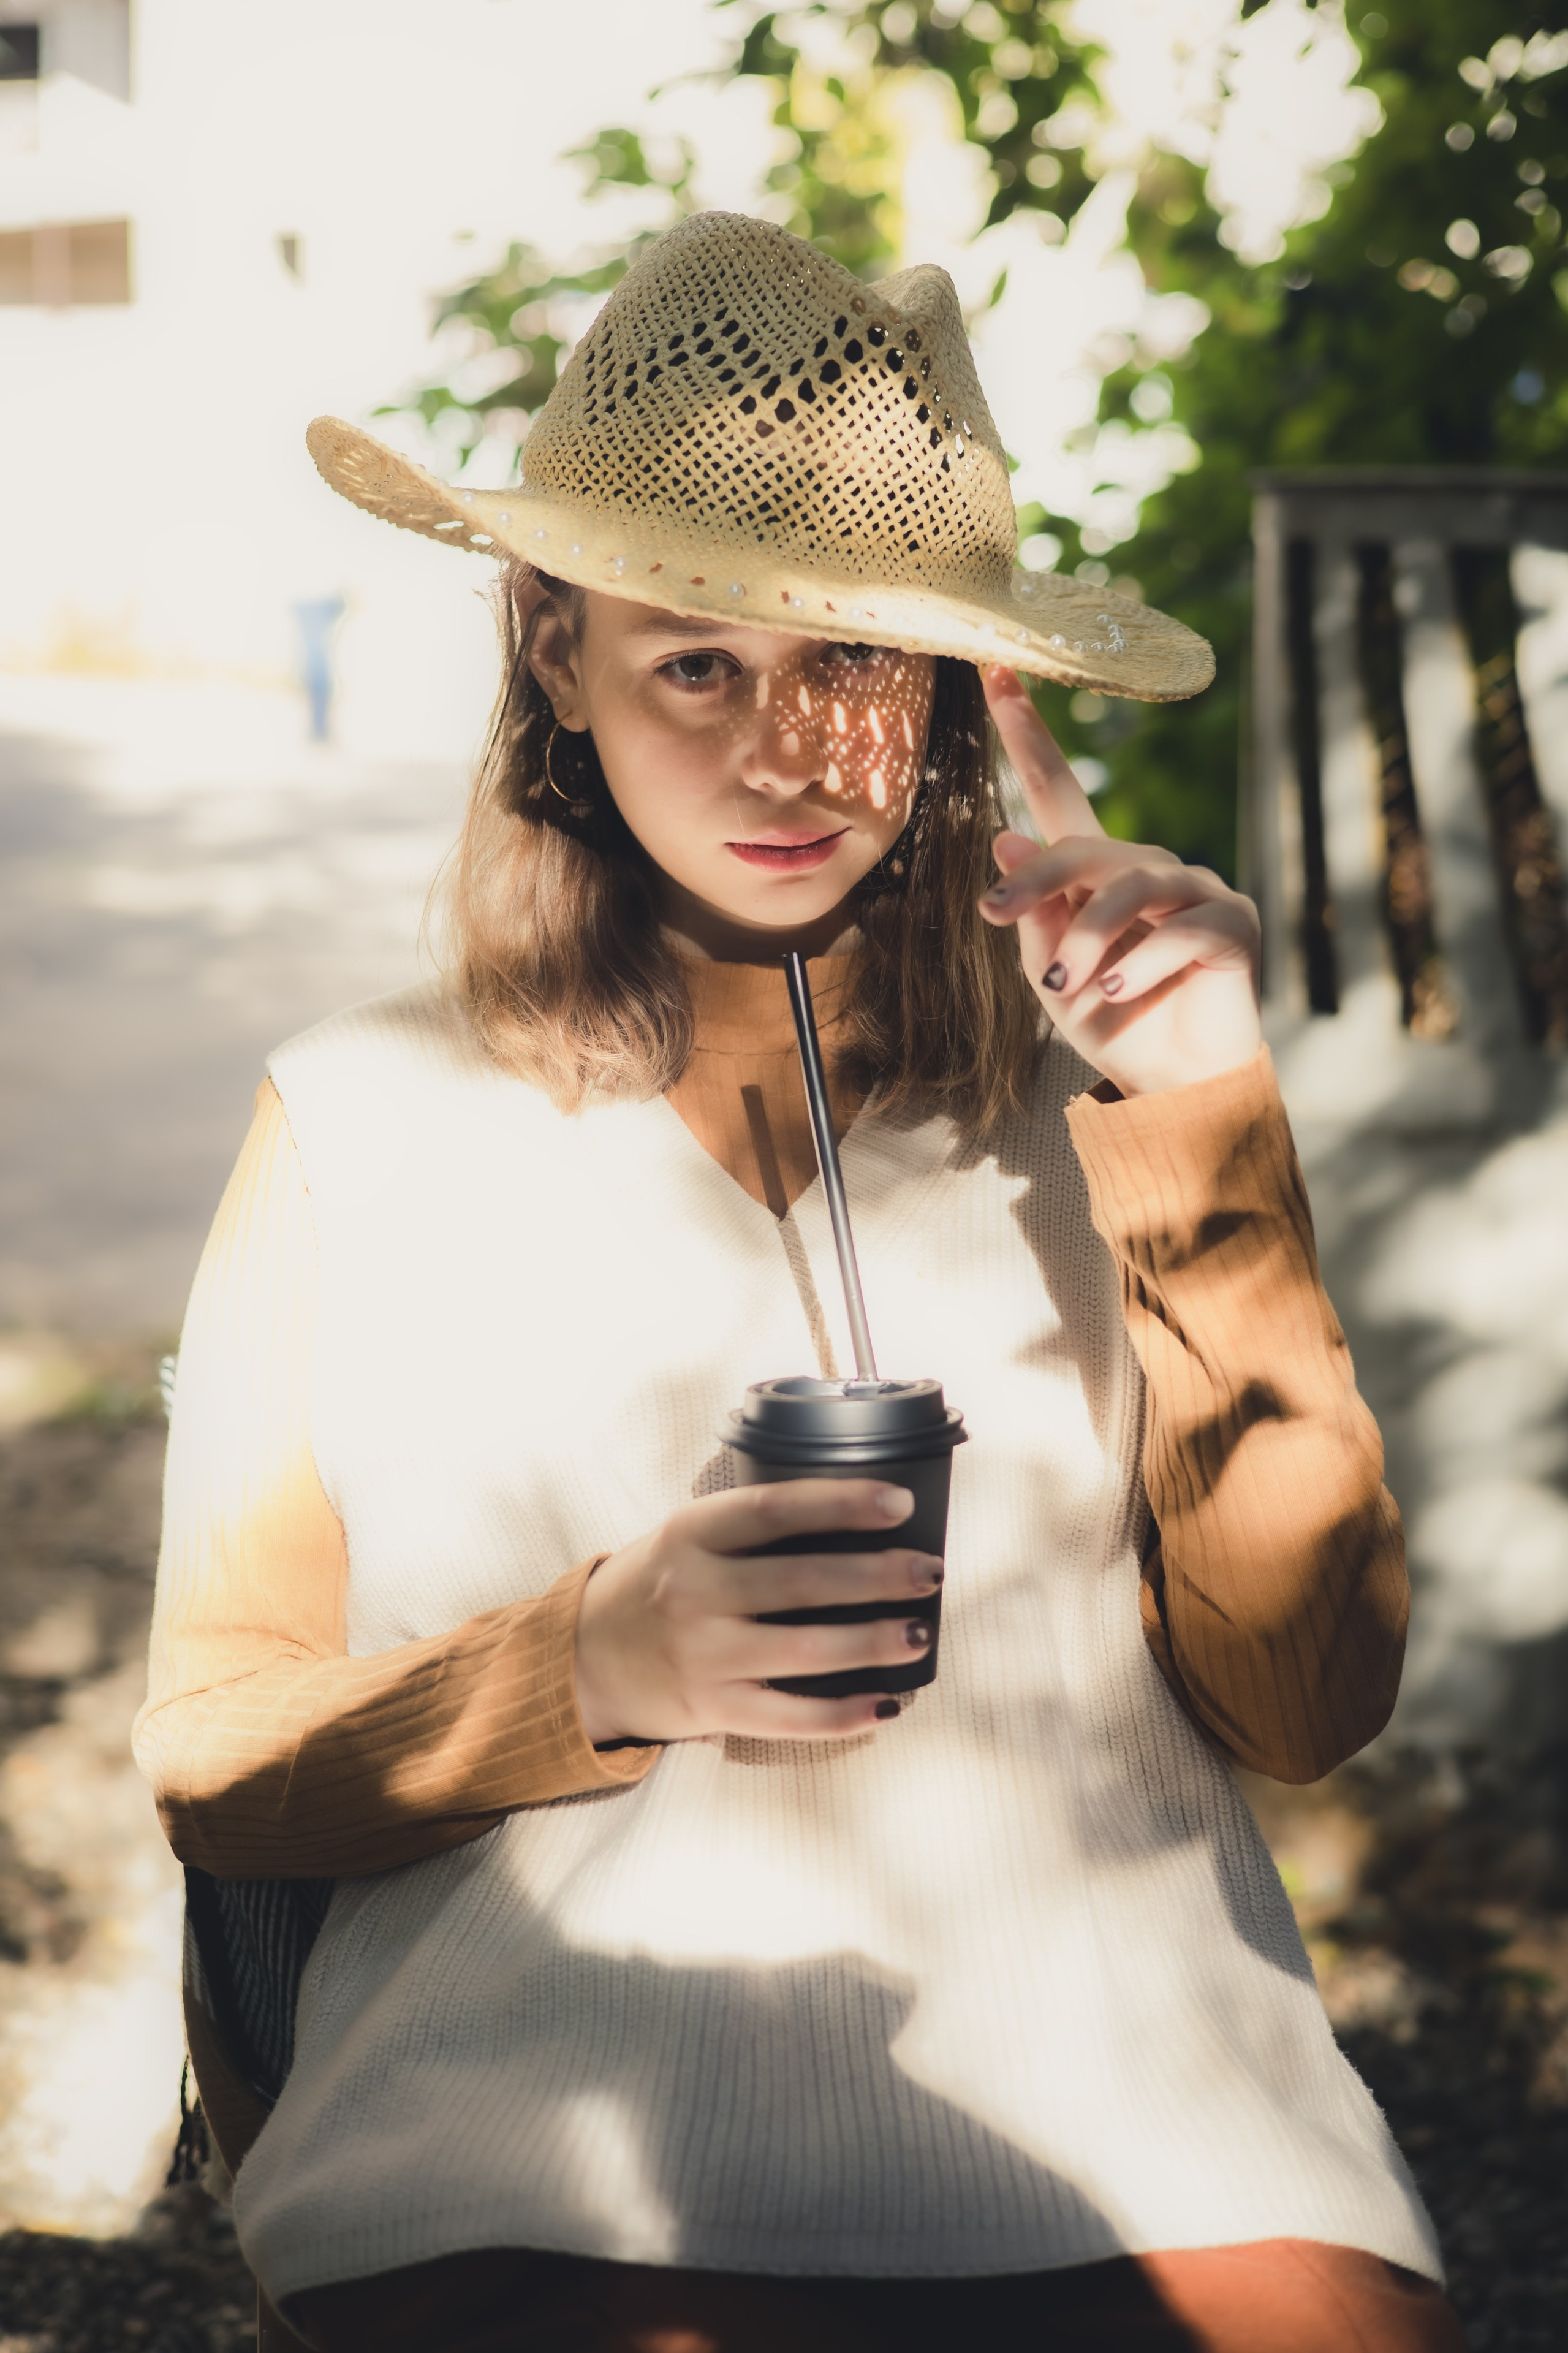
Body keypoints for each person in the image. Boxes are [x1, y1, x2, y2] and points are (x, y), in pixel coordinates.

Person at [135, 212, 1463, 2352]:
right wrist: (595, 1663)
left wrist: (1207, 1118)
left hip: (1145, 2115)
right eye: (696, 661)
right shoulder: (361, 1119)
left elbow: (1309, 1710)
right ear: (552, 655)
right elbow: (215, 1759)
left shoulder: (1108, 1091)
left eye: (854, 658)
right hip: (537, 2117)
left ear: (948, 692)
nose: (782, 751)